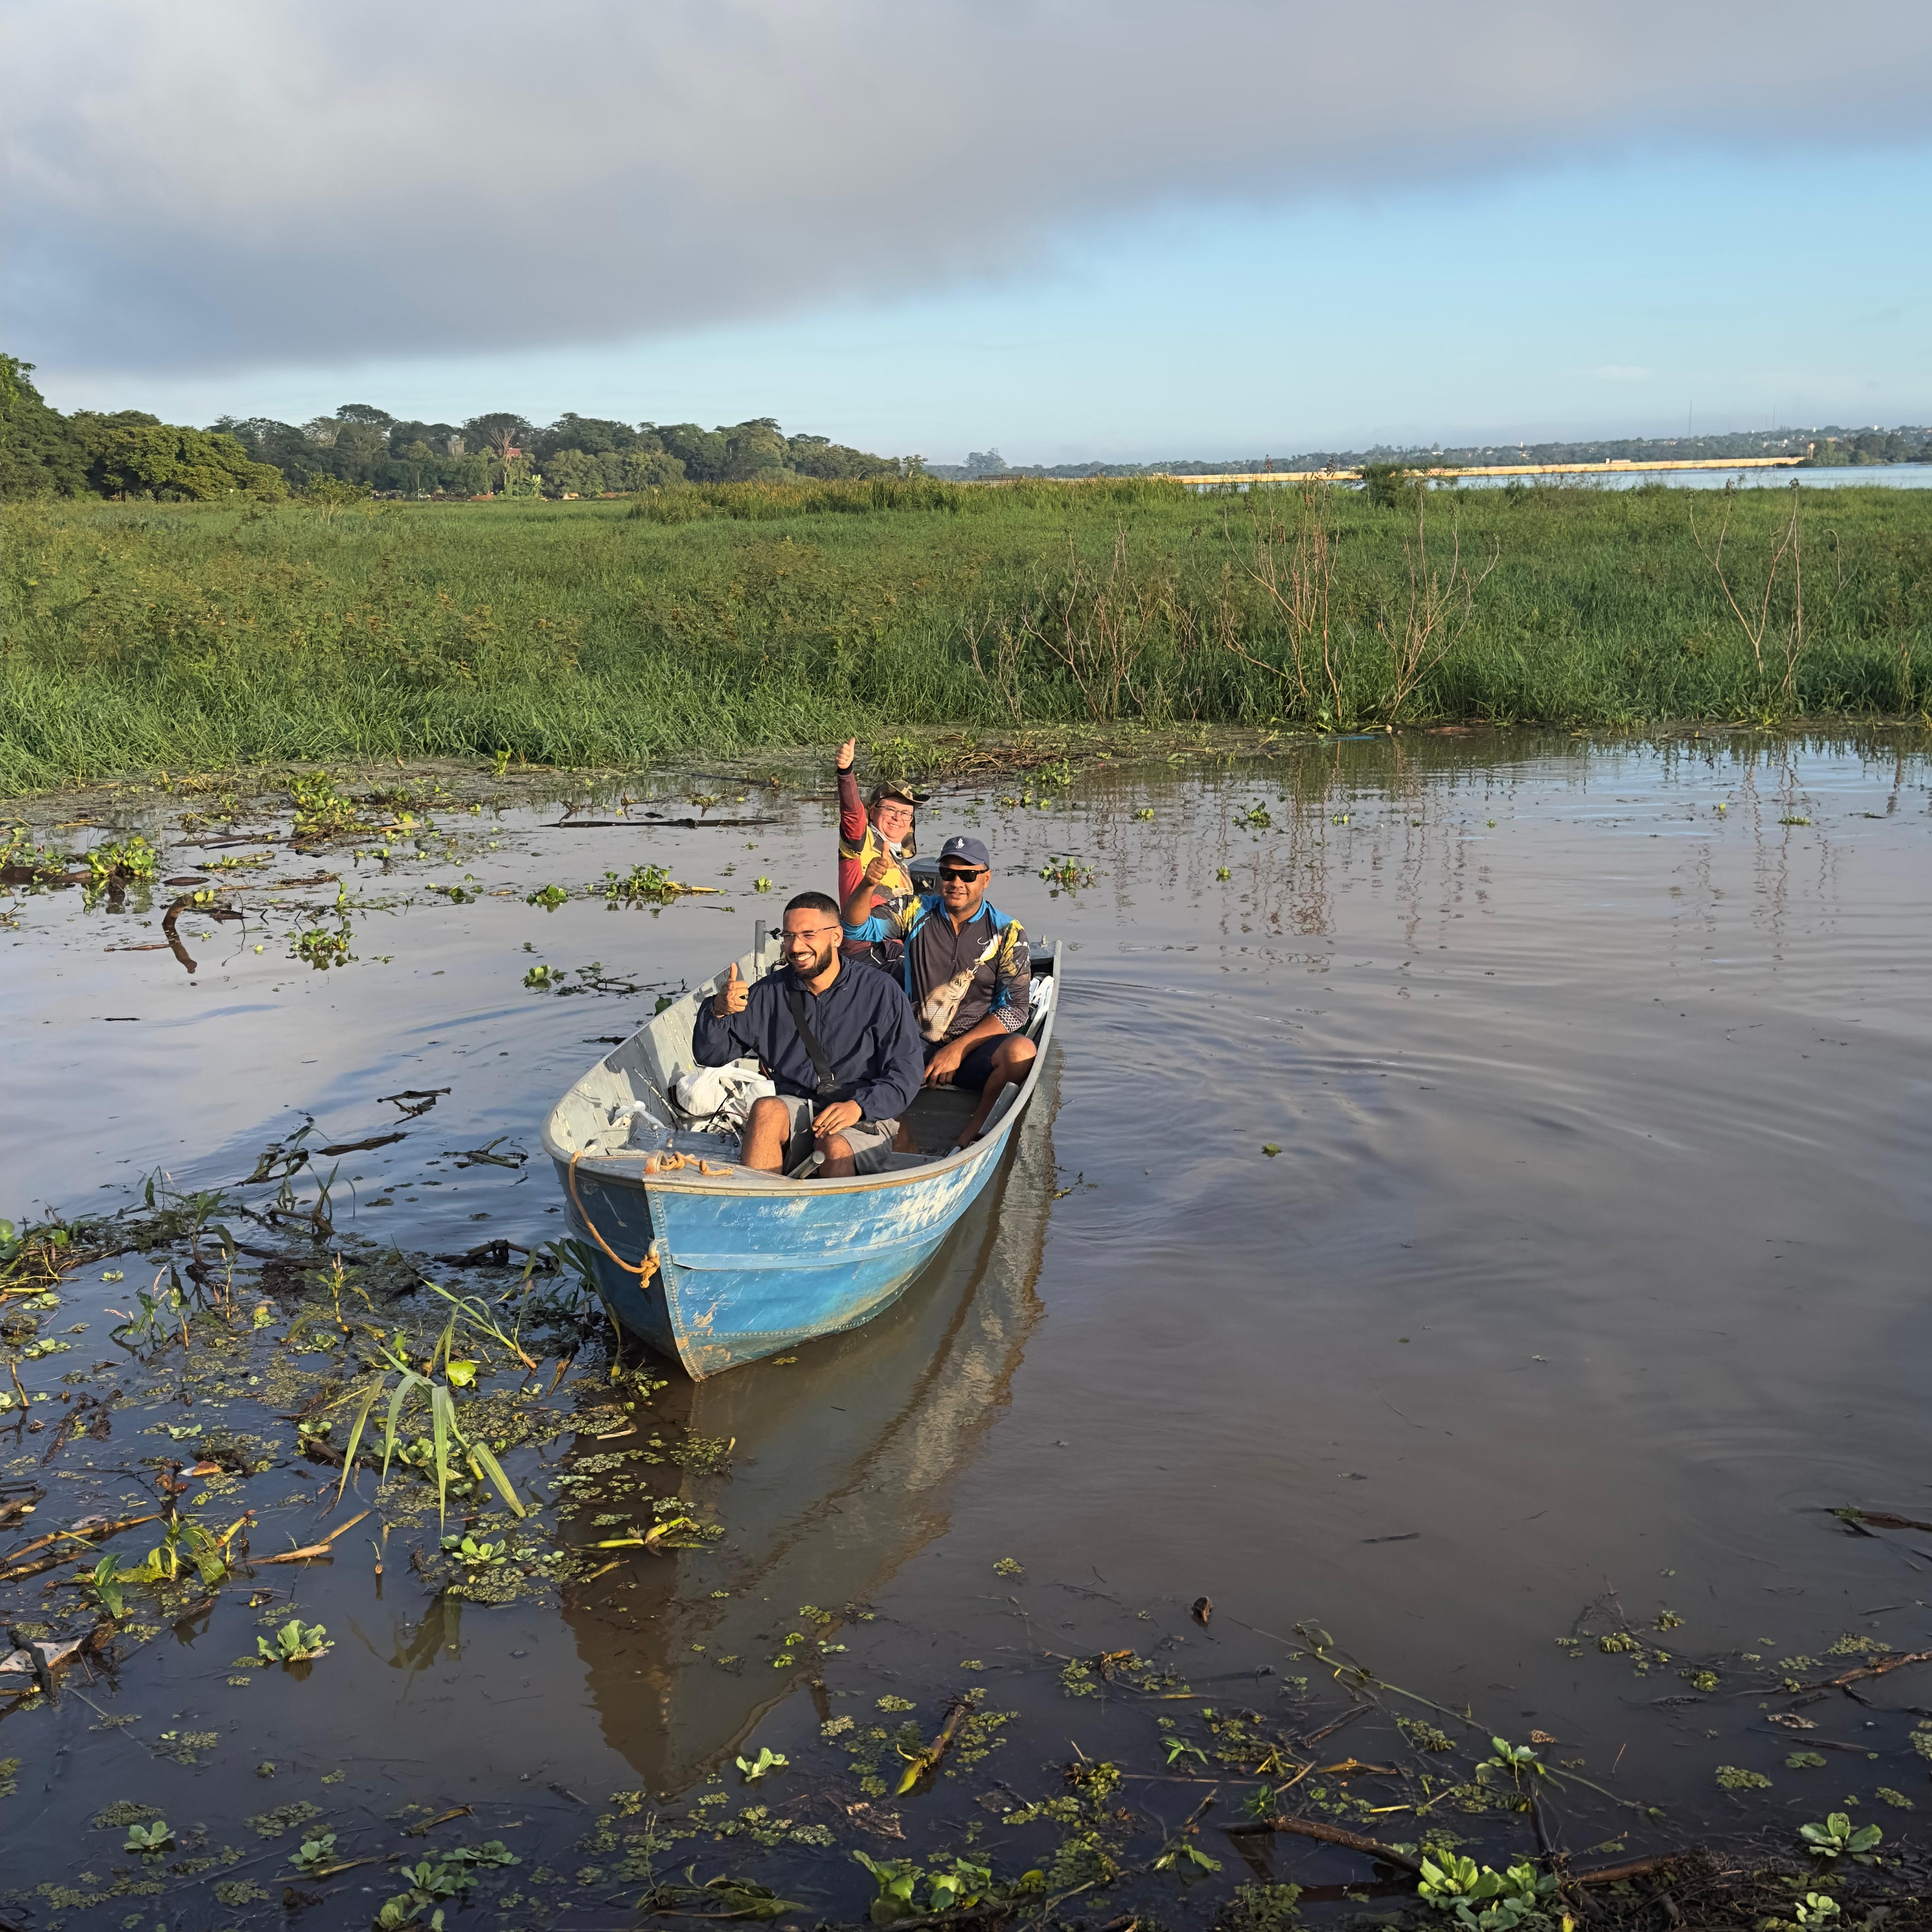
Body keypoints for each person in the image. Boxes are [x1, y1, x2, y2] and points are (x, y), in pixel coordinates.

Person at [690, 890, 923, 1179]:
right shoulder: (767, 994)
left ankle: (830, 1221)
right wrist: (718, 1010)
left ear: (836, 937)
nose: (796, 947)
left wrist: (858, 1107)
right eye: (788, 936)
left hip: (864, 1114)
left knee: (833, 1148)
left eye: (808, 935)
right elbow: (711, 1055)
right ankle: (760, 1208)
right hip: (800, 1107)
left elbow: (906, 1073)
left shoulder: (881, 991)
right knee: (765, 1110)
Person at [842, 835, 1035, 1149]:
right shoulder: (915, 909)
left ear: (986, 878)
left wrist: (957, 1051)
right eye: (948, 874)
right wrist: (866, 886)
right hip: (916, 1041)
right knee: (863, 1049)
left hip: (975, 1048)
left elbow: (1015, 1010)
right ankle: (902, 1138)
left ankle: (973, 1133)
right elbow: (856, 928)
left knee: (1022, 1052)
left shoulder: (1008, 931)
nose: (957, 882)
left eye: (968, 875)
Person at [835, 738, 919, 966]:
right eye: (890, 809)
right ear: (872, 812)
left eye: (905, 813)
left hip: (898, 948)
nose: (897, 818)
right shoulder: (860, 841)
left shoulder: (900, 862)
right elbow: (852, 813)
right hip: (866, 950)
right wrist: (846, 773)